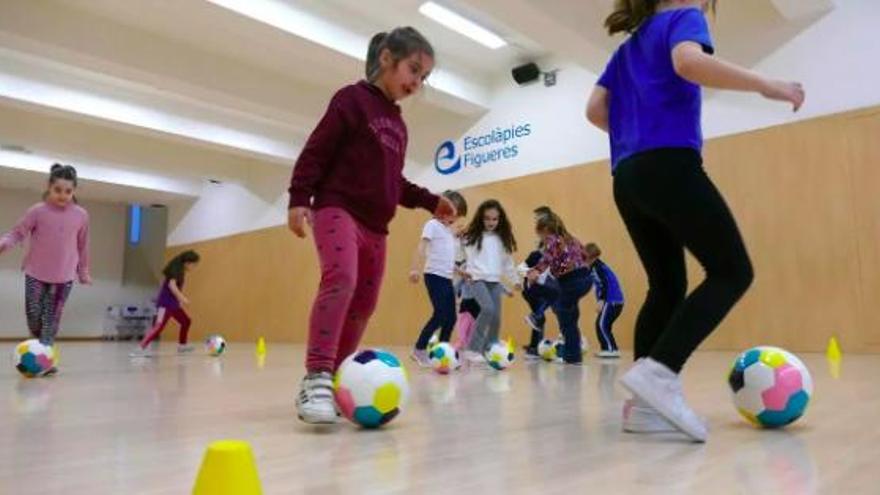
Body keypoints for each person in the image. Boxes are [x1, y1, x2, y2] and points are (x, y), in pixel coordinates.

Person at [586, 0, 804, 441]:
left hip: (627, 176)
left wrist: (637, 131)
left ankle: (644, 407)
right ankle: (660, 373)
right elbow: (688, 62)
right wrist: (766, 84)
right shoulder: (684, 17)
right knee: (732, 271)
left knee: (667, 286)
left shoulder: (626, 49)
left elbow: (594, 110)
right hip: (670, 165)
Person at [287, 27, 456, 423]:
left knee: (364, 305)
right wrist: (299, 198)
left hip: (377, 227)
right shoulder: (351, 100)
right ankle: (317, 378)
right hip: (337, 209)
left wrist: (431, 200)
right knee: (340, 280)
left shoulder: (398, 125)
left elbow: (393, 182)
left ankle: (341, 381)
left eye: (424, 77)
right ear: (386, 58)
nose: (416, 82)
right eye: (413, 70)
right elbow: (316, 151)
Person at [0, 163, 91, 375]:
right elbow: (17, 233)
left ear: (74, 191)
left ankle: (46, 360)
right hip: (36, 273)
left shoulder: (81, 215)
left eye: (68, 191)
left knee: (51, 320)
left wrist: (83, 271)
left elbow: (83, 244)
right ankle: (40, 351)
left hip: (64, 277)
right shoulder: (37, 211)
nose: (63, 195)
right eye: (58, 190)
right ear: (49, 187)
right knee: (34, 316)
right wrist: (4, 243)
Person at [131, 250, 201, 357]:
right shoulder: (177, 271)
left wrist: (178, 301)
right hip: (165, 305)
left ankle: (182, 346)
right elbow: (171, 286)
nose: (194, 267)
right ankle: (140, 348)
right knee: (158, 326)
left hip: (173, 305)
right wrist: (182, 298)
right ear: (187, 262)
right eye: (194, 264)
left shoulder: (179, 269)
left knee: (186, 321)